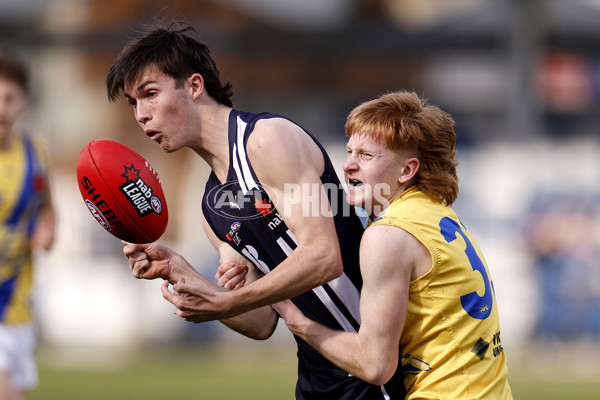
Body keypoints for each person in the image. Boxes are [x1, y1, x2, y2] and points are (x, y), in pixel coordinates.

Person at [106, 24, 405, 399]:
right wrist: (179, 270)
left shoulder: (266, 140)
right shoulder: (212, 207)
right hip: (317, 381)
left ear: (195, 86)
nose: (141, 114)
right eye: (133, 102)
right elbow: (261, 321)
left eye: (150, 94)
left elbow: (324, 257)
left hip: (376, 376)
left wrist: (224, 301)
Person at [270, 91, 514, 399]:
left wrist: (299, 323)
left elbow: (374, 365)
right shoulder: (435, 213)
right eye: (349, 152)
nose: (348, 166)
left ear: (407, 170)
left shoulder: (389, 234)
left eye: (366, 155)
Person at [0, 48, 56, 400]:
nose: (1, 108)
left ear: (24, 102)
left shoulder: (36, 151)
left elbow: (49, 207)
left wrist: (48, 230)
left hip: (17, 302)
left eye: (9, 98)